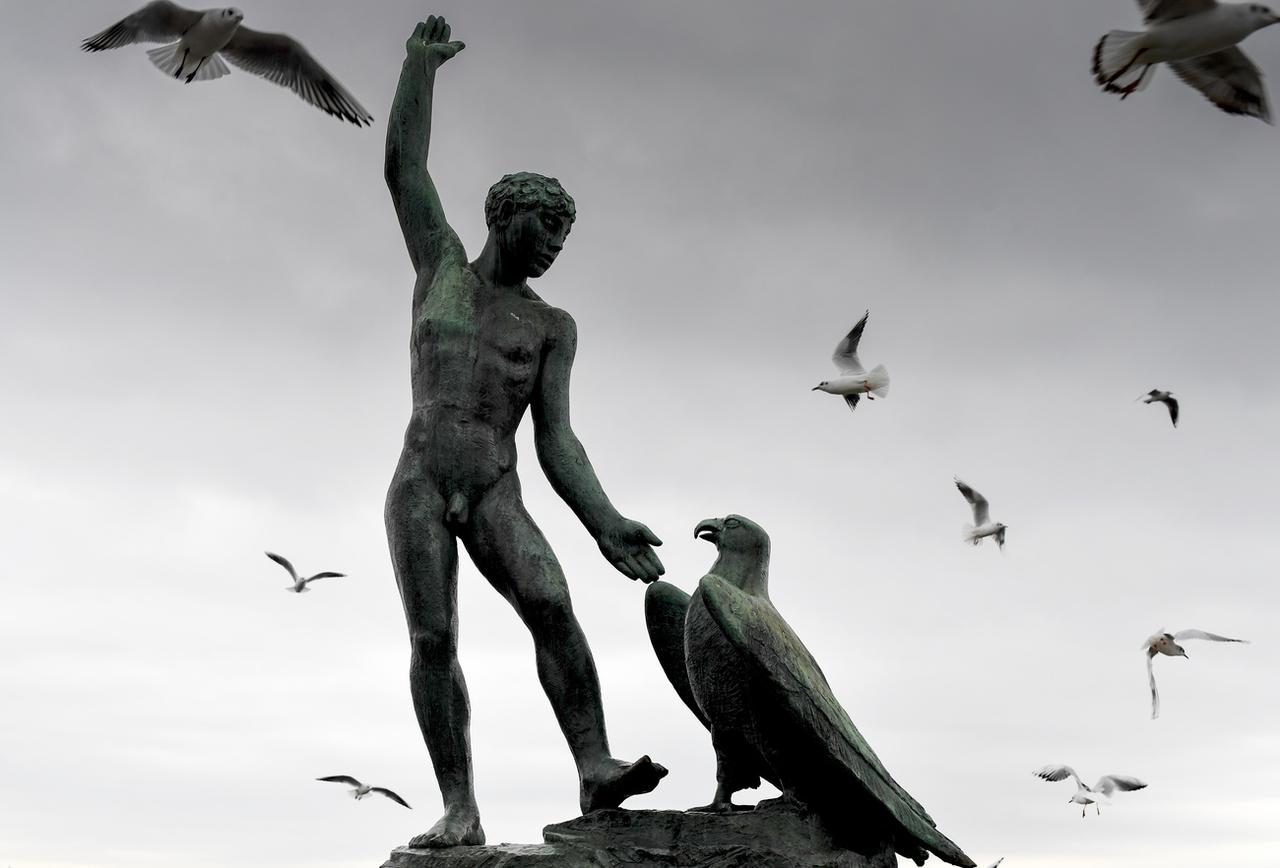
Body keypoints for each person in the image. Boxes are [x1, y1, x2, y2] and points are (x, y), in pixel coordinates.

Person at [383, 14, 668, 848]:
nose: (554, 248)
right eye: (547, 229)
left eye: (566, 237)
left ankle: (594, 764)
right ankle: (460, 809)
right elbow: (403, 167)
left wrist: (605, 519)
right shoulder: (440, 267)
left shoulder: (551, 326)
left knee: (553, 602)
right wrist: (420, 67)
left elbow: (558, 441)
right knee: (434, 638)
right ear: (508, 216)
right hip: (422, 484)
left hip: (495, 483)